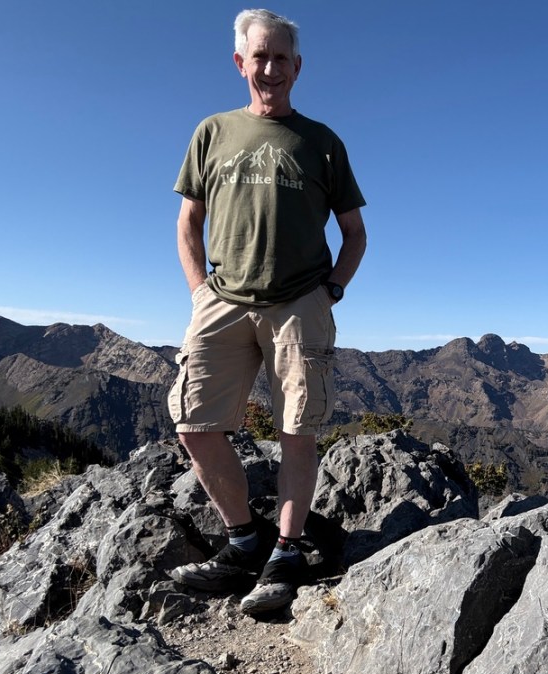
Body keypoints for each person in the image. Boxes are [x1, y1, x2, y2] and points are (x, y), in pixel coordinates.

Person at [166, 9, 367, 615]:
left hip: (299, 302)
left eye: (282, 58)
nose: (271, 68)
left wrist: (330, 289)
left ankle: (285, 551)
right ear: (240, 62)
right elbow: (188, 223)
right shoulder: (212, 132)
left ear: (297, 67)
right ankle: (243, 540)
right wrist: (200, 289)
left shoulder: (322, 142)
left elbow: (354, 232)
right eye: (261, 57)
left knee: (297, 429)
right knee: (193, 421)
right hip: (222, 300)